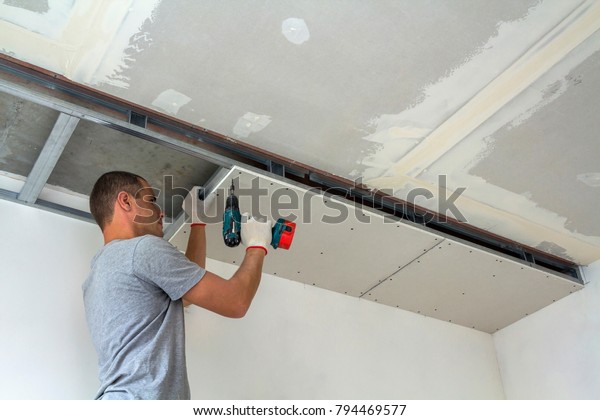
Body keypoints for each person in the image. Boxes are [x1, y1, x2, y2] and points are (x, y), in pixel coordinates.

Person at [82, 170, 271, 400]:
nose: (161, 211)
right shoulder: (142, 249)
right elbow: (235, 301)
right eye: (151, 200)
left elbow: (185, 293)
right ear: (125, 201)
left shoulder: (98, 274)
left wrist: (197, 223)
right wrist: (257, 245)